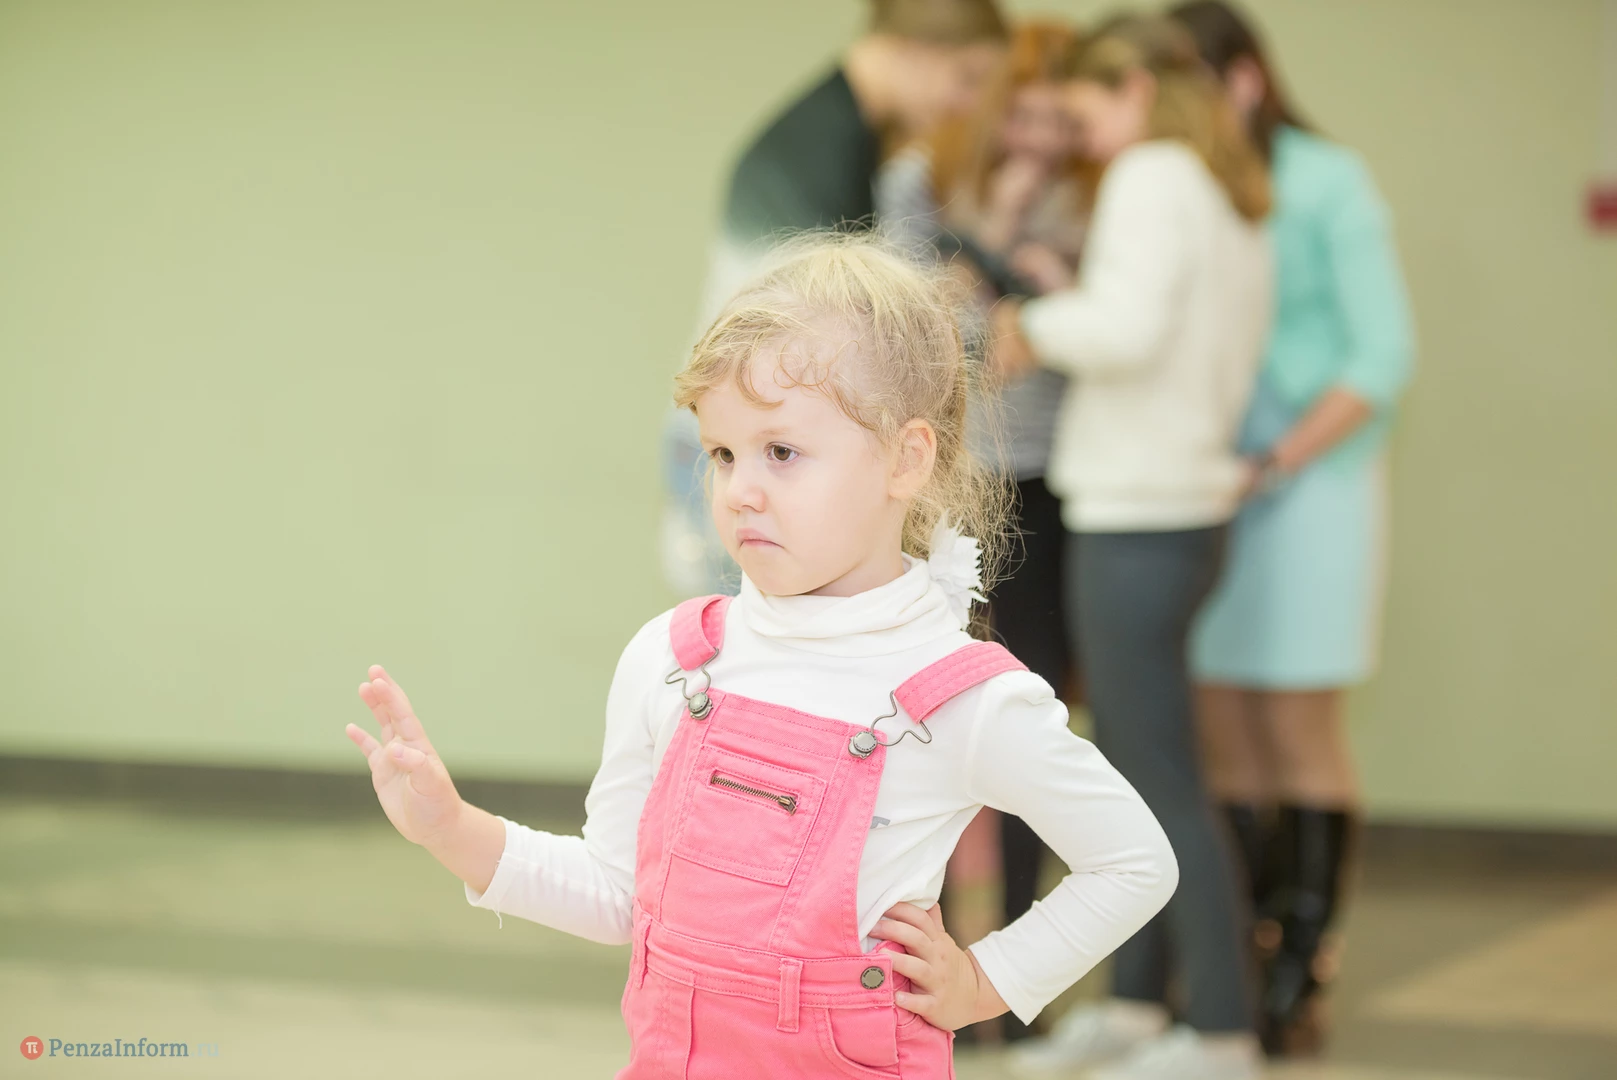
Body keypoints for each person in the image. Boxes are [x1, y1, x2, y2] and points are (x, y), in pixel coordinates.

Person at [345, 235, 1179, 1077]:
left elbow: (1134, 862)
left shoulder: (964, 699)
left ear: (905, 459)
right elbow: (617, 893)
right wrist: (451, 829)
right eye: (722, 453)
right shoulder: (673, 661)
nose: (740, 489)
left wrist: (984, 981)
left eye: (781, 452)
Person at [992, 15, 1273, 1080]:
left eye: (1087, 113)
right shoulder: (1225, 188)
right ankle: (1140, 1008)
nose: (1082, 137)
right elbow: (1153, 327)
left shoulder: (1154, 174)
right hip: (1178, 505)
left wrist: (1033, 321)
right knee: (1136, 767)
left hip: (1140, 511)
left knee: (1154, 778)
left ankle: (1222, 1030)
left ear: (1139, 93)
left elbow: (1126, 331)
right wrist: (1069, 304)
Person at [1171, 0, 1416, 1055]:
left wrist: (1280, 460)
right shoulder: (1181, 190)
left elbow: (1383, 355)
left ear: (1244, 80)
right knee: (1221, 722)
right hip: (1207, 486)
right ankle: (1236, 960)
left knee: (1297, 726)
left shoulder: (1325, 180)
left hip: (1313, 483)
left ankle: (1299, 973)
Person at [874, 19, 1095, 1043]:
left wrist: (1016, 290)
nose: (1040, 141)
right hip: (943, 483)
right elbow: (910, 335)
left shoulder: (1087, 199)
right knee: (918, 718)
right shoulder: (920, 183)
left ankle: (1006, 981)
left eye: (1061, 123)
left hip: (1047, 485)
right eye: (1023, 116)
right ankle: (913, 963)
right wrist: (1001, 247)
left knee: (1025, 713)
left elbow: (1077, 343)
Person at [663, 0, 1010, 598]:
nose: (967, 104)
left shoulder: (845, 142)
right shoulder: (817, 155)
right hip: (758, 446)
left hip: (757, 437)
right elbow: (842, 331)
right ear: (917, 48)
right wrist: (979, 338)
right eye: (967, 77)